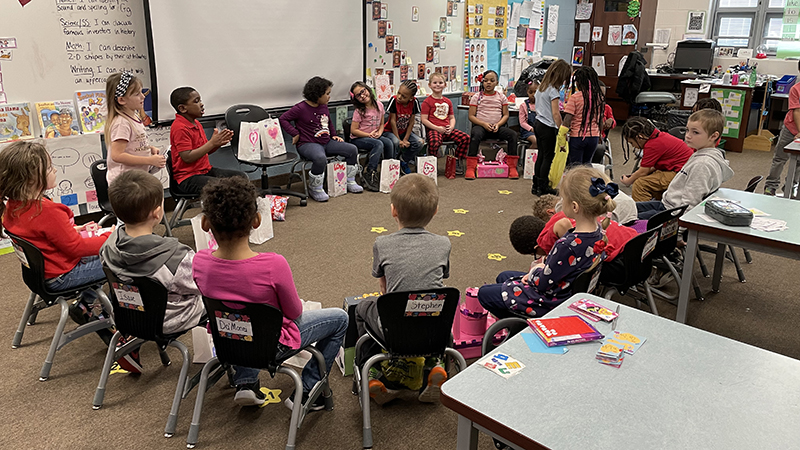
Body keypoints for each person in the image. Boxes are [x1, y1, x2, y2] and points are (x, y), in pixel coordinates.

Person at [192, 176, 348, 408]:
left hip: (227, 341)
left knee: (237, 315)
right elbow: (294, 313)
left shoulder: (199, 261)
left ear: (205, 223)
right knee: (340, 319)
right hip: (271, 346)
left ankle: (247, 382)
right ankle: (308, 390)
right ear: (256, 220)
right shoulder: (273, 265)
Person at [0, 141, 140, 372]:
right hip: (64, 274)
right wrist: (113, 237)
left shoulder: (15, 207)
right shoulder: (46, 211)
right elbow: (76, 250)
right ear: (32, 179)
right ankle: (126, 328)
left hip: (41, 274)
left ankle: (89, 306)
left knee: (106, 252)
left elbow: (42, 238)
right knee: (125, 257)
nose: (54, 170)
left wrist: (74, 231)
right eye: (49, 167)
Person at [355, 174, 451, 405]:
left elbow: (383, 287)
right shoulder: (444, 243)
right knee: (438, 316)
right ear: (435, 210)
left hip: (395, 328)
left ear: (393, 211)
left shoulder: (382, 243)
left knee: (361, 309)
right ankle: (433, 366)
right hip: (434, 329)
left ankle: (373, 371)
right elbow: (441, 278)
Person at [478, 166, 612, 319]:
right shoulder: (599, 232)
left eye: (564, 199)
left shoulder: (568, 245)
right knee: (504, 276)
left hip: (550, 301)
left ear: (575, 206)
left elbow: (542, 283)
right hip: (565, 290)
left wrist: (536, 270)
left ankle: (518, 326)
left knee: (484, 293)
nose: (561, 203)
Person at [100, 170, 206, 336]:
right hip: (169, 321)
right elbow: (201, 286)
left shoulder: (108, 246)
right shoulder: (176, 257)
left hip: (128, 316)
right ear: (157, 213)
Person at [636, 110, 734, 220]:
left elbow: (690, 202)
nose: (688, 136)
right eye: (687, 130)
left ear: (713, 136)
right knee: (626, 208)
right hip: (667, 205)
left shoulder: (702, 165)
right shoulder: (700, 154)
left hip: (673, 214)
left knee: (627, 220)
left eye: (695, 132)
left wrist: (678, 232)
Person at [280, 76, 363, 202]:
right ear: (317, 95)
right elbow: (283, 119)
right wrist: (294, 133)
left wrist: (334, 135)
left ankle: (349, 180)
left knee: (352, 149)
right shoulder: (300, 108)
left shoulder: (324, 105)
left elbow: (328, 122)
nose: (329, 97)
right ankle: (315, 187)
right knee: (320, 157)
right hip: (307, 143)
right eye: (327, 94)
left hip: (326, 142)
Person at [531, 190, 636, 282]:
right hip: (637, 247)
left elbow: (549, 276)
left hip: (623, 266)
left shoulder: (554, 230)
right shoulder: (587, 214)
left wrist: (537, 269)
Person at [168, 87, 246, 195]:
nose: (201, 104)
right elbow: (187, 157)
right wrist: (212, 143)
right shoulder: (179, 127)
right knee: (222, 187)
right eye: (196, 101)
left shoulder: (196, 123)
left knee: (241, 178)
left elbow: (205, 151)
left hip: (205, 170)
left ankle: (240, 209)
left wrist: (217, 144)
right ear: (182, 108)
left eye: (200, 100)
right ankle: (224, 211)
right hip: (188, 178)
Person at [104, 72, 166, 185]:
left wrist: (148, 149)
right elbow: (117, 155)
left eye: (141, 92)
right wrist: (149, 160)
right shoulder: (121, 123)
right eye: (137, 94)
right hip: (125, 183)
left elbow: (132, 144)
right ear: (122, 100)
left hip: (136, 179)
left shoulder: (134, 116)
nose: (143, 96)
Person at [619, 117, 693, 202]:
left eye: (632, 142)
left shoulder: (652, 145)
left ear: (640, 137)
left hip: (681, 173)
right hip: (683, 170)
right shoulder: (660, 136)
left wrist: (628, 181)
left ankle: (643, 212)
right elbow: (652, 167)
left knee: (640, 184)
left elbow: (643, 172)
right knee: (652, 179)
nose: (633, 146)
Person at [467, 70, 519, 179]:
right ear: (482, 82)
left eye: (492, 80)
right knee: (475, 135)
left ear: (497, 82)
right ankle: (470, 167)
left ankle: (512, 167)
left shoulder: (501, 97)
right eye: (485, 81)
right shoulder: (476, 97)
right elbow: (471, 116)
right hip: (481, 127)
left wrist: (498, 124)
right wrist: (484, 124)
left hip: (497, 128)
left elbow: (505, 115)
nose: (488, 83)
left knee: (513, 135)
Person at [532, 60, 572, 196]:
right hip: (548, 127)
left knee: (541, 155)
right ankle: (543, 187)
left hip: (538, 123)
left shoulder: (541, 88)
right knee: (548, 157)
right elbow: (556, 114)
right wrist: (562, 129)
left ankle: (536, 185)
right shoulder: (553, 91)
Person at [420, 72, 470, 173]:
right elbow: (424, 119)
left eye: (440, 82)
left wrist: (451, 127)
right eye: (435, 83)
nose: (437, 85)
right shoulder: (427, 102)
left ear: (445, 85)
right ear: (429, 85)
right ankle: (432, 164)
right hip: (434, 130)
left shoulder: (448, 101)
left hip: (447, 130)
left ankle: (457, 161)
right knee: (434, 142)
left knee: (465, 138)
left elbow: (452, 117)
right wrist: (437, 128)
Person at [349, 81, 393, 191]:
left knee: (389, 143)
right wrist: (369, 134)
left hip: (373, 136)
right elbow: (353, 130)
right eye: (358, 95)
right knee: (378, 144)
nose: (362, 96)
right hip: (359, 139)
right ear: (356, 99)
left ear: (367, 89)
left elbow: (382, 124)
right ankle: (370, 173)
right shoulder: (359, 111)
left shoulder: (379, 105)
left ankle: (388, 172)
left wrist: (380, 132)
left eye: (363, 91)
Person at [765, 61, 800, 197]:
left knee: (798, 163)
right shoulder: (796, 89)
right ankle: (771, 185)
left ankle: (791, 186)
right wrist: (799, 132)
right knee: (780, 158)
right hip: (790, 128)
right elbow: (796, 111)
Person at [561, 66, 604, 166]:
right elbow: (600, 119)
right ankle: (588, 181)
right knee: (587, 163)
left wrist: (562, 137)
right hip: (594, 137)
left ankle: (577, 182)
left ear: (578, 82)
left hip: (577, 137)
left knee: (576, 166)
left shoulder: (575, 98)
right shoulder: (599, 97)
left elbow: (567, 120)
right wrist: (600, 134)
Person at [384, 80, 425, 174]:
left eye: (403, 96)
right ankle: (393, 166)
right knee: (395, 142)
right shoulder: (394, 100)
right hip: (390, 131)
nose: (399, 97)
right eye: (399, 93)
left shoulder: (414, 102)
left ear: (411, 98)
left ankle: (403, 160)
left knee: (420, 143)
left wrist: (406, 139)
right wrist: (399, 140)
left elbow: (411, 122)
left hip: (404, 132)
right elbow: (393, 121)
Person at [591, 81, 616, 164]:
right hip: (586, 135)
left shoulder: (607, 108)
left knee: (599, 149)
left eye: (603, 95)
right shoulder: (585, 106)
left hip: (599, 138)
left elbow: (613, 122)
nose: (600, 97)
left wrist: (611, 121)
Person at [519, 80, 540, 150]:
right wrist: (531, 129)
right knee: (536, 141)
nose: (533, 95)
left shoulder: (542, 105)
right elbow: (522, 122)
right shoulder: (523, 106)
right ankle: (529, 157)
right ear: (527, 92)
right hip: (527, 131)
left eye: (536, 92)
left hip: (540, 130)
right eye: (531, 92)